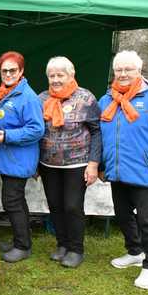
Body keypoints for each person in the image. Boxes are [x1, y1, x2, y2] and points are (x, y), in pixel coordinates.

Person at [99, 50, 148, 289]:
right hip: (117, 172)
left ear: (139, 71)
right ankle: (135, 251)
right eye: (119, 69)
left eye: (128, 69)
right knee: (122, 215)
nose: (122, 74)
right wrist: (102, 165)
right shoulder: (106, 100)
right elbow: (101, 137)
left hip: (144, 173)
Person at [38, 56, 101, 268]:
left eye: (60, 75)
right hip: (48, 164)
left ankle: (76, 249)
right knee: (55, 205)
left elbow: (96, 131)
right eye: (52, 75)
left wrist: (93, 163)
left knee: (72, 206)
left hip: (77, 164)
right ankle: (62, 244)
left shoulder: (86, 98)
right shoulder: (42, 98)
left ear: (71, 75)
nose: (55, 79)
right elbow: (36, 131)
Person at [0, 51, 44, 262]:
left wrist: (7, 135)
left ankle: (23, 246)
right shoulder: (4, 94)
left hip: (19, 159)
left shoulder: (27, 97)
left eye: (13, 70)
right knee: (13, 200)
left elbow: (37, 129)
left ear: (21, 72)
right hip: (8, 159)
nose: (8, 74)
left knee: (13, 201)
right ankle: (19, 241)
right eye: (5, 70)